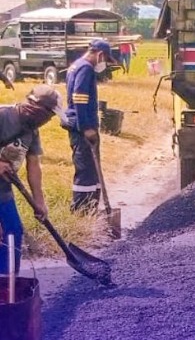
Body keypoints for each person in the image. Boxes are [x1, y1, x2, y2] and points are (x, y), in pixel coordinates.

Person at [0, 85, 64, 274]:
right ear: (37, 109)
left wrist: (39, 201)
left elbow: (34, 165)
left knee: (13, 234)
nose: (48, 120)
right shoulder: (3, 116)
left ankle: (7, 286)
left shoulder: (32, 131)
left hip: (3, 190)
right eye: (49, 115)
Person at [64, 40, 118, 213]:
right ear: (100, 54)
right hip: (82, 128)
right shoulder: (85, 68)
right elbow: (79, 98)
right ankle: (82, 210)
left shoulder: (76, 66)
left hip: (80, 124)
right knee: (86, 169)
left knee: (91, 169)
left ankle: (92, 207)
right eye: (105, 60)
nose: (104, 64)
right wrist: (86, 127)